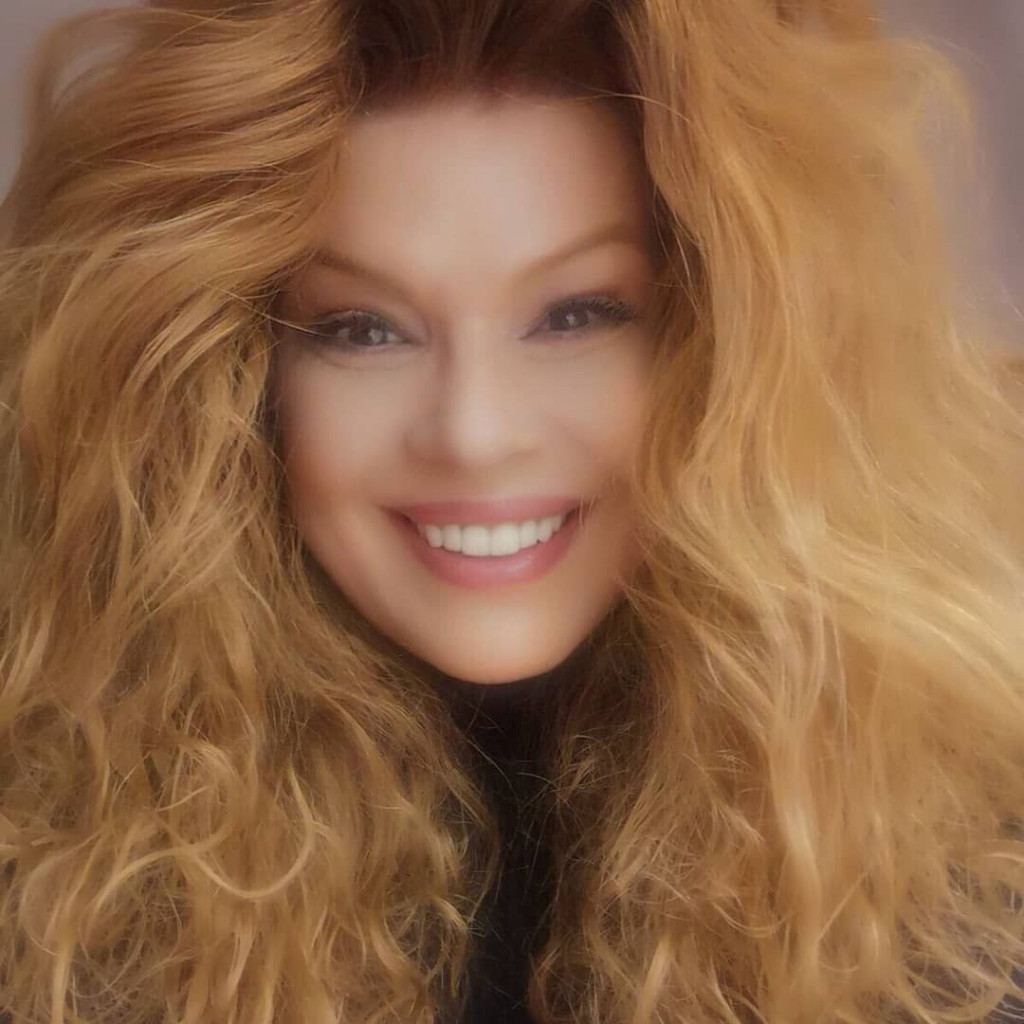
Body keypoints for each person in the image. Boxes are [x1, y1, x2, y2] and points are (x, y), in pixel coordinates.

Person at [0, 0, 1021, 1021]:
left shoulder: (977, 868)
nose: (475, 433)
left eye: (575, 313)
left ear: (731, 340)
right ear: (231, 376)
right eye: (363, 329)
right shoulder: (51, 875)